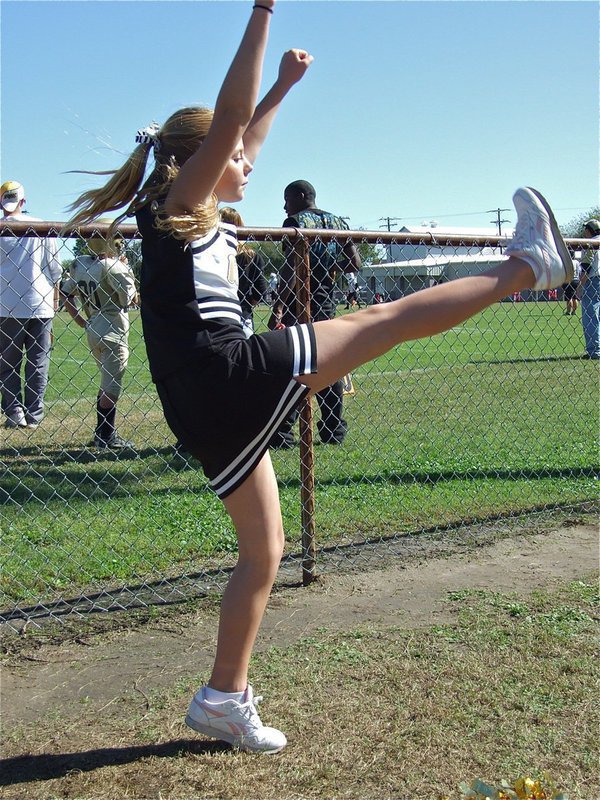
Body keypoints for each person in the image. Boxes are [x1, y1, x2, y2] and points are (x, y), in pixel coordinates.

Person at [64, 0, 572, 754]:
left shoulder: (191, 208)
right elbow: (233, 120)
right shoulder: (182, 203)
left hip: (201, 401)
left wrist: (284, 88)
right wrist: (264, 11)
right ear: (205, 157)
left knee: (264, 551)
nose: (249, 163)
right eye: (236, 156)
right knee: (380, 321)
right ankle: (527, 268)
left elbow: (245, 127)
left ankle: (221, 699)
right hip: (222, 372)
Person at [269, 179, 361, 447]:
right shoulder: (338, 223)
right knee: (327, 367)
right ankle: (333, 430)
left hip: (298, 304)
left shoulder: (295, 222)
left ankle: (283, 433)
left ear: (300, 196)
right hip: (325, 303)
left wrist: (278, 306)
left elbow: (290, 269)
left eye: (287, 199)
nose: (284, 207)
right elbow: (354, 263)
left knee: (292, 367)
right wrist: (327, 263)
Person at [60, 233, 138, 448]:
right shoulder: (113, 266)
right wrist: (126, 269)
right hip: (113, 328)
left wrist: (79, 320)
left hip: (93, 324)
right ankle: (105, 434)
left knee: (106, 383)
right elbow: (130, 299)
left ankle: (102, 431)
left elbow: (66, 293)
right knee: (112, 386)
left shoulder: (81, 264)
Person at [0, 181, 62, 429]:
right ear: (23, 202)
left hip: (6, 305)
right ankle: (34, 414)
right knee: (38, 362)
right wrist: (55, 302)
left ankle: (15, 412)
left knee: (8, 363)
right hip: (41, 303)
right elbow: (55, 269)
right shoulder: (41, 227)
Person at [219, 206, 267, 337]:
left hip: (217, 311)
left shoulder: (212, 252)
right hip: (242, 311)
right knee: (244, 353)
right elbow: (261, 290)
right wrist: (249, 301)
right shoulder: (251, 256)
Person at [578, 218, 600, 359]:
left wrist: (580, 286)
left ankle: (595, 350)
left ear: (589, 230)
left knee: (590, 316)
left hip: (593, 281)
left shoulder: (590, 243)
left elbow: (586, 267)